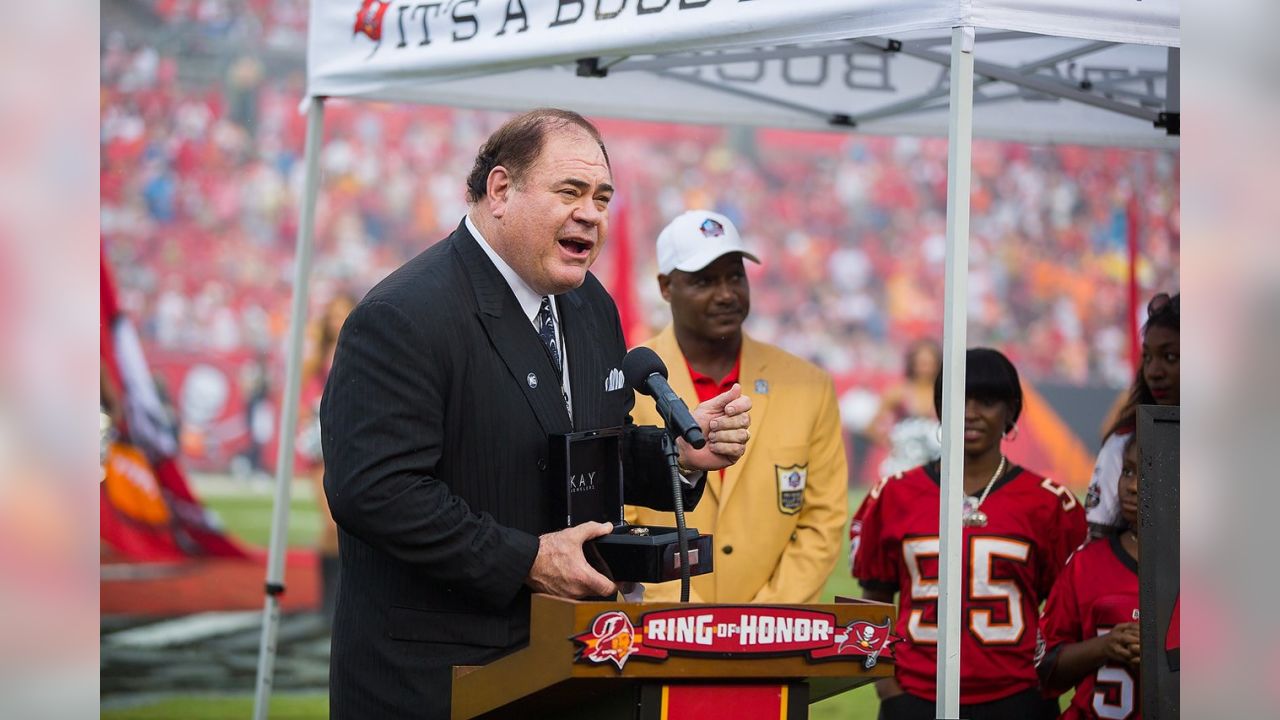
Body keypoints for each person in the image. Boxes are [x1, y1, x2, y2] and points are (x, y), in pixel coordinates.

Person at [318, 108, 752, 720]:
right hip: (437, 683)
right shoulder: (404, 315)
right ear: (501, 190)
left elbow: (588, 447)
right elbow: (376, 492)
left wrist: (677, 453)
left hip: (572, 667)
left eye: (602, 197)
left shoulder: (590, 305)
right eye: (569, 191)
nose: (591, 214)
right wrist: (527, 559)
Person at [624, 210, 848, 603]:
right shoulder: (624, 383)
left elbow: (822, 519)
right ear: (665, 287)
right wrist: (683, 617)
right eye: (705, 281)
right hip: (661, 637)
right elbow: (620, 518)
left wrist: (765, 621)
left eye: (734, 276)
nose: (726, 293)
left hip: (774, 642)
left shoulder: (809, 385)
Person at [852, 348, 1087, 720]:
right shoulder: (893, 495)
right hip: (915, 697)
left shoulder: (1049, 504)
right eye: (958, 398)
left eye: (987, 401)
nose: (970, 412)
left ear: (1011, 410)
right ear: (940, 406)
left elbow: (1074, 613)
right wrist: (889, 689)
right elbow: (872, 600)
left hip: (1018, 697)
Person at [1039, 435, 1142, 719]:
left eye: (1150, 472)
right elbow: (1044, 668)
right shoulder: (1087, 563)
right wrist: (1104, 647)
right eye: (1129, 470)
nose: (1132, 487)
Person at [1085, 292, 1178, 536]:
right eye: (1147, 358)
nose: (1154, 372)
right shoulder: (1123, 443)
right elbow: (1098, 544)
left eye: (1170, 357)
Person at [300, 291, 357, 625]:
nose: (337, 320)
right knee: (330, 519)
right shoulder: (319, 353)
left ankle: (336, 598)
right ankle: (328, 599)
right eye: (333, 314)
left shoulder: (363, 340)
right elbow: (302, 390)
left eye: (343, 312)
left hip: (348, 437)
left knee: (342, 523)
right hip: (318, 440)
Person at [868, 339, 943, 478]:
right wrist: (890, 442)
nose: (925, 367)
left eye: (929, 363)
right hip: (904, 464)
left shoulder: (945, 394)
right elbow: (872, 426)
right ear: (912, 363)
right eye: (921, 363)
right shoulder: (899, 392)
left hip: (935, 463)